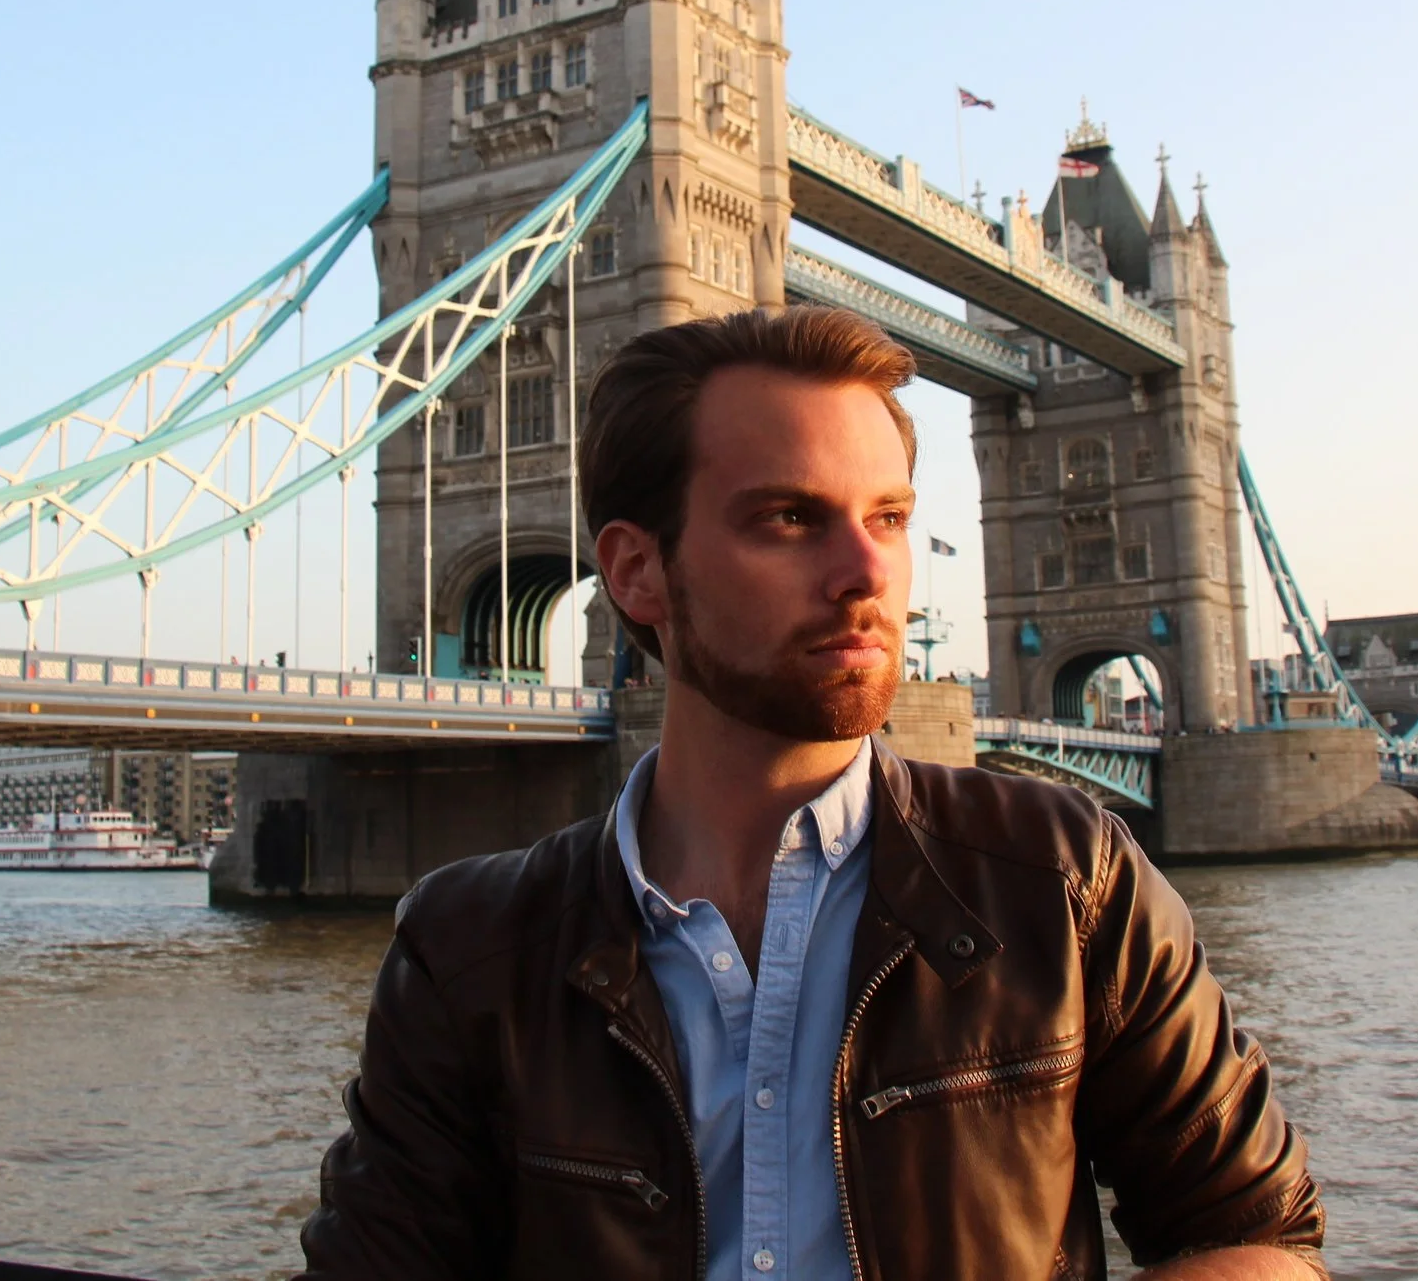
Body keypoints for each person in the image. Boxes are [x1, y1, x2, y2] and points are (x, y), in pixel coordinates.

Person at [300, 308, 1325, 1280]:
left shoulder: (1066, 883)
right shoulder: (467, 948)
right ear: (636, 571)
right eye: (789, 518)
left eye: (887, 517)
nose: (863, 571)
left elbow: (1261, 1234)